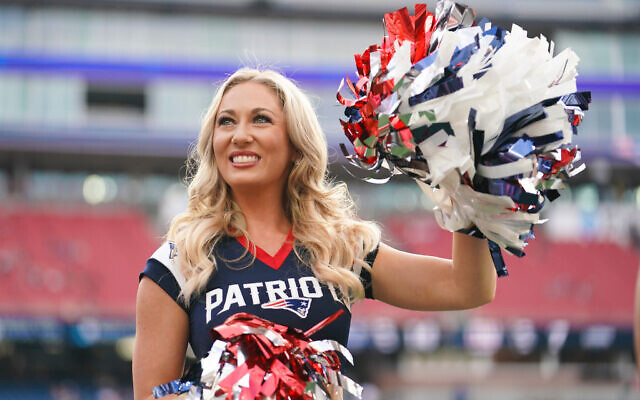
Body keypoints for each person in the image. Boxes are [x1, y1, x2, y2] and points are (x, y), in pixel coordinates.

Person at [132, 68, 497, 400]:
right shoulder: (181, 261)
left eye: (260, 120)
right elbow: (151, 395)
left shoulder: (336, 247)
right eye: (226, 122)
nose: (240, 135)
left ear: (295, 144)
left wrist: (467, 183)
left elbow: (467, 286)